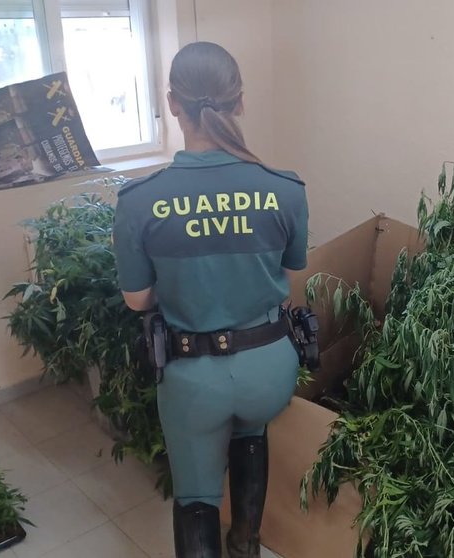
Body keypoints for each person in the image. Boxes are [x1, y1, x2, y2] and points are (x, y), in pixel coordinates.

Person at [112, 42, 309, 558]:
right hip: (269, 370)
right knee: (251, 432)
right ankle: (246, 544)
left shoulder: (139, 202)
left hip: (194, 380)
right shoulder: (284, 189)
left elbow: (137, 301)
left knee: (196, 493)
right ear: (239, 101)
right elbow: (287, 273)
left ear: (172, 103)